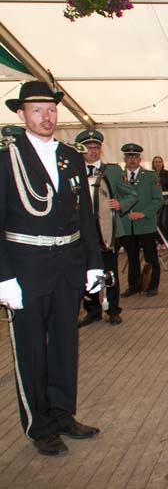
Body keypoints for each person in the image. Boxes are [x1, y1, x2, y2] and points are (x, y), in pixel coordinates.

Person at [0, 81, 103, 455]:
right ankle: (39, 425)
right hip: (26, 268)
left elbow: (86, 215)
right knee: (31, 350)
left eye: (51, 110)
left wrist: (94, 264)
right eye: (37, 110)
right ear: (21, 114)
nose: (46, 117)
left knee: (64, 345)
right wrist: (3, 277)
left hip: (68, 265)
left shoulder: (70, 156)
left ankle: (62, 415)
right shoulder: (7, 158)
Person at [75, 129, 138, 327]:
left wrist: (120, 204)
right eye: (89, 148)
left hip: (108, 231)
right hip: (83, 231)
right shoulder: (73, 170)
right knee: (87, 271)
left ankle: (112, 309)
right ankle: (92, 310)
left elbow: (131, 195)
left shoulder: (112, 171)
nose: (93, 151)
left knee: (109, 272)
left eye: (96, 147)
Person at [118, 143, 163, 297]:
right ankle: (134, 285)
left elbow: (158, 199)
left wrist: (143, 213)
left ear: (140, 158)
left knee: (151, 256)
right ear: (124, 158)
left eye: (135, 156)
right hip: (127, 225)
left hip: (145, 224)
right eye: (129, 156)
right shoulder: (119, 176)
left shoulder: (150, 176)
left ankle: (152, 286)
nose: (132, 160)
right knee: (132, 257)